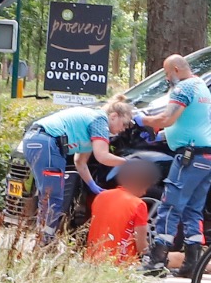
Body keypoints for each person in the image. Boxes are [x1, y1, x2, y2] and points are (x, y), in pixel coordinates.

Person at [138, 53, 211, 275]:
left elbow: (167, 119)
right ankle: (192, 264)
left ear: (176, 69)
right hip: (210, 157)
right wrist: (161, 135)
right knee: (193, 210)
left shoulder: (183, 88)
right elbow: (190, 123)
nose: (167, 78)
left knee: (169, 206)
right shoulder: (201, 86)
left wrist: (140, 120)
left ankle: (156, 261)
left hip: (190, 158)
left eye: (167, 73)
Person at [18, 98, 135, 236]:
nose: (123, 129)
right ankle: (45, 240)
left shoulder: (91, 125)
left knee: (48, 196)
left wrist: (91, 184)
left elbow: (80, 162)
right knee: (52, 198)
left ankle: (42, 237)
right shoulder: (100, 120)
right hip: (47, 142)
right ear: (114, 116)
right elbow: (102, 156)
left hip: (37, 141)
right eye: (124, 124)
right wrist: (129, 162)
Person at [86, 156, 156, 263]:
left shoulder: (100, 196)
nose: (144, 192)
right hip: (121, 265)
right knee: (177, 258)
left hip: (92, 261)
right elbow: (142, 249)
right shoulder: (138, 204)